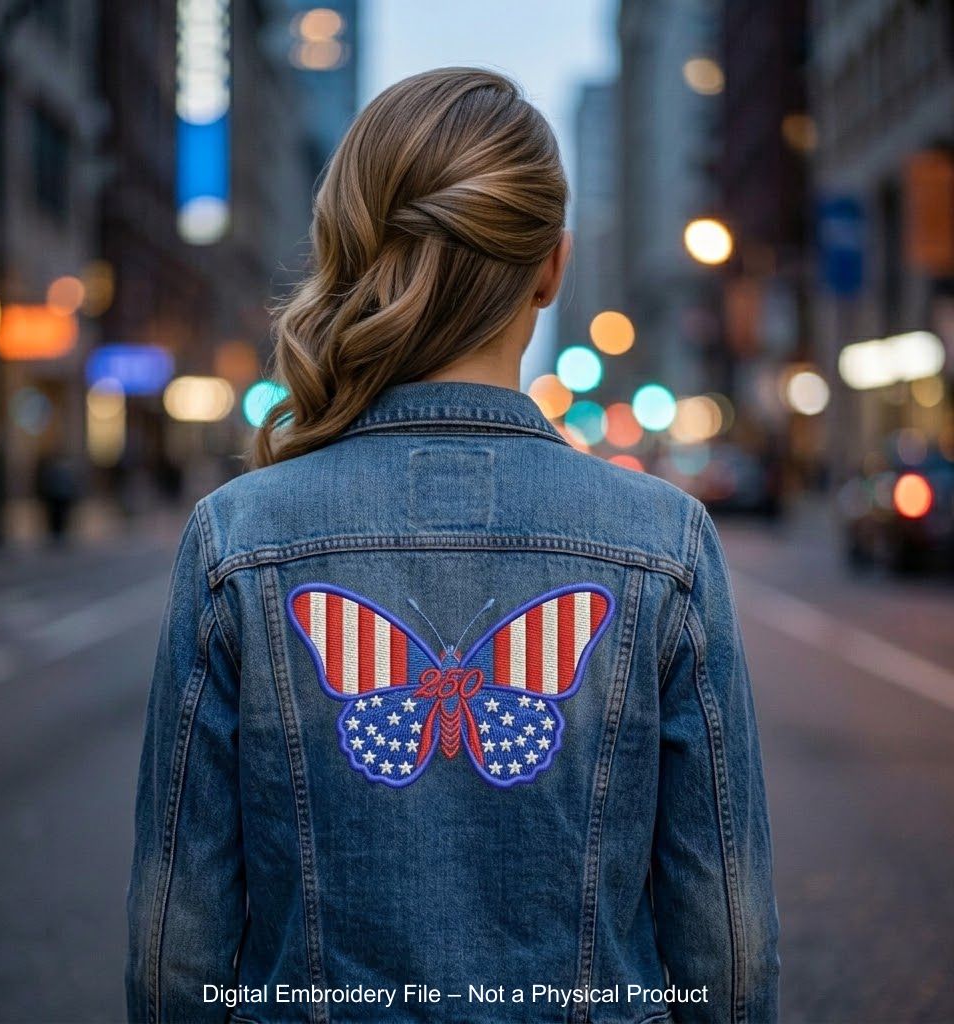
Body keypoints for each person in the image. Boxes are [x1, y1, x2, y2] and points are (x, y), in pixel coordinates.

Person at [126, 68, 778, 1024]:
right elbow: (726, 942)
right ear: (551, 268)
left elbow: (174, 948)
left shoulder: (240, 539)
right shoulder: (665, 544)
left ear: (347, 245)